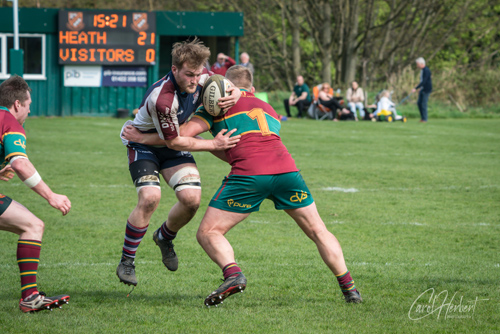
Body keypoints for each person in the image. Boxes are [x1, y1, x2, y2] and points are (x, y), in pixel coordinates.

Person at [123, 66, 363, 305]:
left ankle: (233, 274)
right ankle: (350, 290)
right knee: (319, 231)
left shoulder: (216, 105)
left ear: (224, 87)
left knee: (208, 233)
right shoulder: (269, 109)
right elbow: (243, 146)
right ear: (253, 89)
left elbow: (179, 136)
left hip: (250, 176)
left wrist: (141, 138)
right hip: (288, 171)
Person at [116, 38, 241, 287]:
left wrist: (234, 93)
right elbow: (174, 142)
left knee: (192, 200)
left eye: (198, 74)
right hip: (144, 146)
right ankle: (127, 260)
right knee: (150, 197)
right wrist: (214, 145)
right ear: (174, 69)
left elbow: (231, 85)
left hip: (171, 140)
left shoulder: (203, 76)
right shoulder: (163, 99)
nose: (195, 80)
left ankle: (164, 237)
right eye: (188, 75)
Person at [0, 75, 71, 312]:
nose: (29, 111)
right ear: (18, 104)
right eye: (29, 105)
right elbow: (20, 164)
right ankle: (30, 297)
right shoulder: (9, 122)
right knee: (33, 226)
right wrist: (51, 196)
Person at [411, 57, 432, 122]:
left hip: (426, 89)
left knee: (423, 104)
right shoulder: (422, 70)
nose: (417, 66)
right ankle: (422, 118)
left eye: (417, 64)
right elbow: (422, 81)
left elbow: (424, 81)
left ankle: (425, 119)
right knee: (419, 103)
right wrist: (420, 88)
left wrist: (416, 88)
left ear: (421, 63)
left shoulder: (426, 70)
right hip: (422, 89)